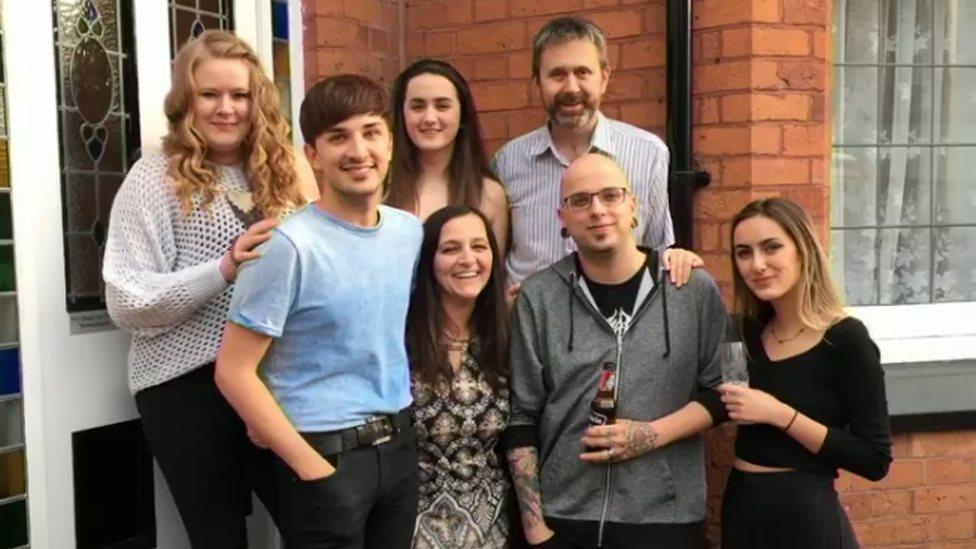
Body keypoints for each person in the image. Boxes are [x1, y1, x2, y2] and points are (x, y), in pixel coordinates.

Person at [102, 30, 316, 547]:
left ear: (257, 99)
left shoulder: (281, 174)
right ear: (186, 102)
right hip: (184, 386)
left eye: (239, 95)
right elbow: (126, 299)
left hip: (269, 380)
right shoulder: (154, 178)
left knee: (316, 520)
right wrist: (221, 268)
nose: (226, 109)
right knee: (220, 537)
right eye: (210, 95)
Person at [215, 74, 422, 549]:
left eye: (371, 132)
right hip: (324, 454)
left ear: (390, 142)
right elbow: (234, 370)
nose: (357, 150)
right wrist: (308, 464)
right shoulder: (286, 247)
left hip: (399, 449)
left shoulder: (408, 233)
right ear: (313, 156)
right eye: (337, 137)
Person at [506, 152, 728, 549]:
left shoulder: (692, 290)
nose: (597, 210)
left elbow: (721, 394)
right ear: (562, 217)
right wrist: (536, 530)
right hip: (565, 521)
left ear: (633, 206)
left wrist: (648, 435)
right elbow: (522, 414)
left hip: (666, 518)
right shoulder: (538, 297)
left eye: (611, 195)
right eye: (581, 200)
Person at [719, 198, 892, 548]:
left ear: (803, 250)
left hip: (805, 517)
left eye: (772, 248)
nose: (758, 264)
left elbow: (874, 460)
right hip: (743, 509)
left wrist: (778, 414)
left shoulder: (846, 339)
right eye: (744, 252)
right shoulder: (746, 332)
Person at [491, 16, 700, 289]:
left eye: (582, 73)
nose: (571, 88)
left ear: (604, 78)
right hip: (532, 327)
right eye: (557, 74)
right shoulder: (507, 162)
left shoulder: (648, 155)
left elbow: (658, 254)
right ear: (537, 84)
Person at [407, 205, 512, 548]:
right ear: (428, 262)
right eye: (451, 248)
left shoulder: (509, 334)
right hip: (411, 524)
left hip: (493, 526)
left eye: (479, 247)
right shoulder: (399, 337)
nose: (468, 259)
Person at [387, 59, 509, 252]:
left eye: (442, 106)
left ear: (462, 116)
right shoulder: (380, 188)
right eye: (417, 106)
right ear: (402, 115)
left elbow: (494, 278)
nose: (429, 118)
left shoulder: (489, 194)